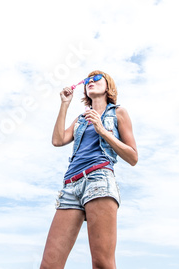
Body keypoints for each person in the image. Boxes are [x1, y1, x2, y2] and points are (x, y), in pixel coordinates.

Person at [40, 70, 138, 269]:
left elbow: (133, 157)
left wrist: (102, 130)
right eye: (87, 80)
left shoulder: (118, 113)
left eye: (96, 78)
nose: (90, 81)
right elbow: (58, 140)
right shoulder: (81, 118)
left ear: (108, 86)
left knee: (102, 263)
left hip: (99, 180)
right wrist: (64, 105)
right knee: (49, 266)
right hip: (71, 186)